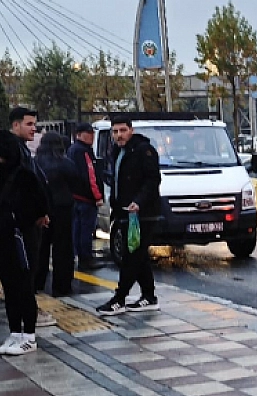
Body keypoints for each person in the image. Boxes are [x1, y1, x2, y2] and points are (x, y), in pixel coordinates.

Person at [0, 130, 48, 355]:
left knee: (24, 287)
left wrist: (20, 217)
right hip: (2, 240)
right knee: (10, 287)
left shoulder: (25, 176)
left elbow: (41, 206)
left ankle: (29, 335)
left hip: (21, 239)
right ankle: (15, 333)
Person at [97, 116, 161, 316]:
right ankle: (149, 297)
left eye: (122, 130)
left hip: (142, 214)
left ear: (131, 130)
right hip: (124, 212)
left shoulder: (143, 150)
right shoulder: (118, 151)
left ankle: (119, 298)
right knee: (138, 255)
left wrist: (139, 202)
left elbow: (153, 179)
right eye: (115, 131)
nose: (119, 135)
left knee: (131, 256)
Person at [33, 133, 82, 296]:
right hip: (63, 208)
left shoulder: (36, 163)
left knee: (41, 247)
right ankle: (62, 285)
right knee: (63, 248)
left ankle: (37, 282)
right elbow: (76, 182)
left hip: (41, 209)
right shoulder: (66, 163)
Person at [66, 123, 104, 270]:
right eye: (88, 133)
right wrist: (97, 197)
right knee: (86, 230)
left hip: (76, 197)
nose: (92, 136)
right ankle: (86, 258)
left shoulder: (73, 150)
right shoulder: (83, 151)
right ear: (79, 134)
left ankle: (80, 256)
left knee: (78, 229)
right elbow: (90, 176)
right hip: (86, 199)